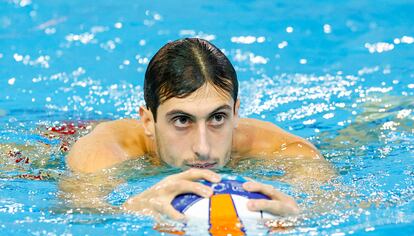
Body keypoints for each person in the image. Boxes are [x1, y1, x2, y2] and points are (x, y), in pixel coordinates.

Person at [66, 38, 335, 221]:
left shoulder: (287, 151)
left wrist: (303, 217)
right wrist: (129, 209)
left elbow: (340, 205)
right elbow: (79, 213)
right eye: (182, 120)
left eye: (217, 118)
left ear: (236, 112)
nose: (203, 148)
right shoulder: (103, 154)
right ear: (148, 122)